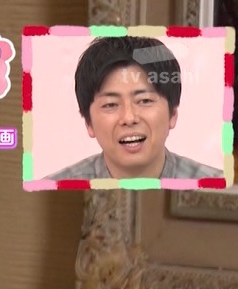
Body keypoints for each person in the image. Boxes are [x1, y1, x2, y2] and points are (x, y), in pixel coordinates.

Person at [44, 36, 224, 181]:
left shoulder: (214, 185)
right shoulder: (55, 186)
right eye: (110, 105)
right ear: (88, 123)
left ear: (173, 114)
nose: (129, 118)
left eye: (144, 101)